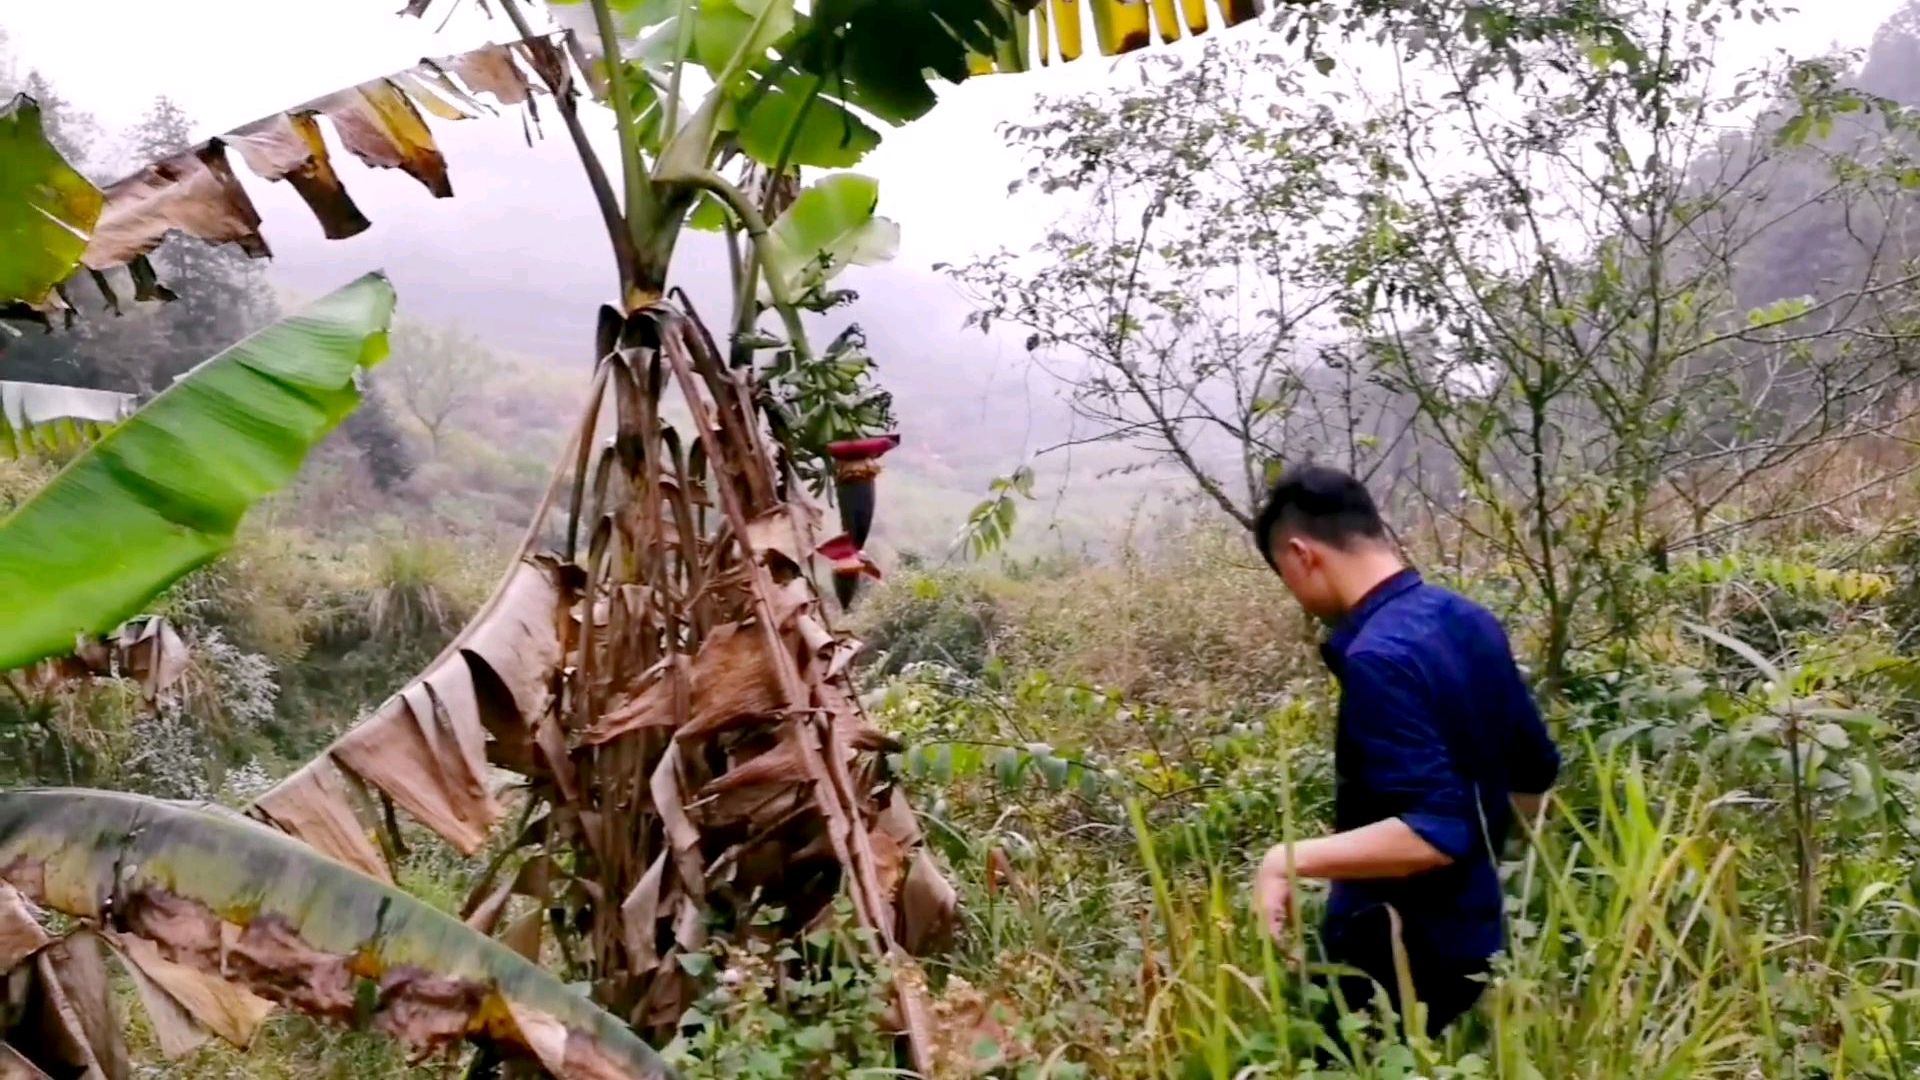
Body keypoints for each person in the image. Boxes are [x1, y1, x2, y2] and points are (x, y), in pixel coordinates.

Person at [1247, 465, 1559, 1045]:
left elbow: (1433, 834)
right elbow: (1533, 776)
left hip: (1396, 958)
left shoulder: (1378, 657)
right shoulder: (1467, 618)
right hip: (1474, 941)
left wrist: (1285, 858)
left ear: (1299, 554)